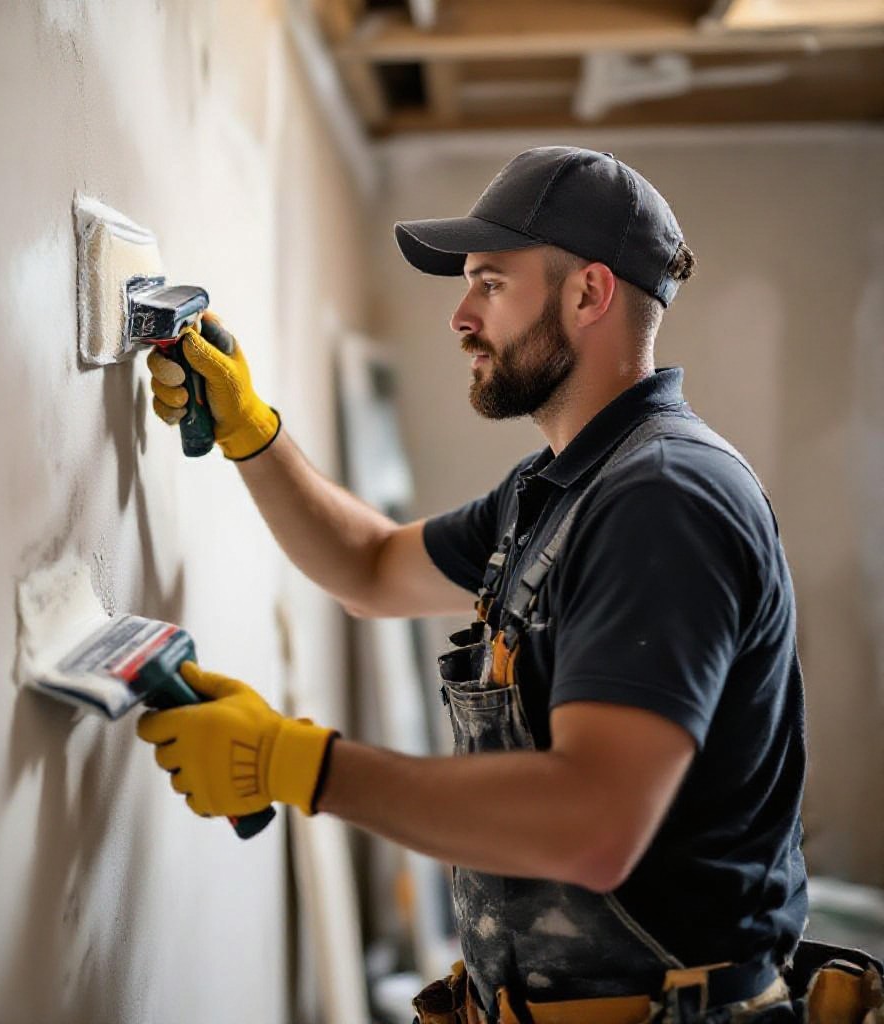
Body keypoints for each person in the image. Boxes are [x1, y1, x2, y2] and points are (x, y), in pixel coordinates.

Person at [135, 147, 879, 1024]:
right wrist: (250, 430)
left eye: (490, 282)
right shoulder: (553, 491)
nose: (460, 314)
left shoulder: (665, 499)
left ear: (589, 294)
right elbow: (370, 569)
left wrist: (295, 765)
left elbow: (593, 825)